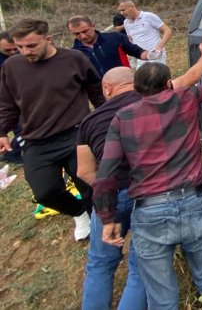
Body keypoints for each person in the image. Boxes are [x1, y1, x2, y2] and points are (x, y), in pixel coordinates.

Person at [77, 33, 202, 310]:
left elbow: (88, 172)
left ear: (106, 89)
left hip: (129, 199)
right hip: (175, 195)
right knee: (149, 272)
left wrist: (108, 215)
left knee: (101, 265)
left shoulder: (94, 121)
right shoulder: (172, 98)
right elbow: (195, 79)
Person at [0, 18, 104, 240]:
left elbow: (96, 91)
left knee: (89, 186)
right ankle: (78, 213)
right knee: (45, 192)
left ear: (48, 39)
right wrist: (2, 131)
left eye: (31, 45)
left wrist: (107, 119)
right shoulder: (12, 66)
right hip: (36, 140)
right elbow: (8, 103)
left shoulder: (74, 59)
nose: (25, 52)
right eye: (20, 47)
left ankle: (99, 225)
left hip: (76, 134)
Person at [68, 15, 152, 77]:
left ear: (93, 26)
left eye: (85, 31)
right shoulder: (74, 53)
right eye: (77, 34)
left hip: (125, 83)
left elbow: (136, 51)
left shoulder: (115, 37)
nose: (83, 36)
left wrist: (149, 55)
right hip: (101, 93)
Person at [116, 0, 171, 66]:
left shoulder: (148, 16)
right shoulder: (126, 23)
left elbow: (167, 31)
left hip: (156, 56)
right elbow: (131, 39)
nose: (121, 13)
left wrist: (159, 46)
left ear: (132, 6)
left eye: (123, 10)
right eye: (120, 11)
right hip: (141, 58)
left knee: (158, 76)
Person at [0, 31, 22, 165]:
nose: (13, 52)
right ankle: (12, 153)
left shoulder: (24, 52)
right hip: (7, 100)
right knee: (21, 128)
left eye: (16, 48)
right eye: (8, 50)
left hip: (25, 96)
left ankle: (13, 152)